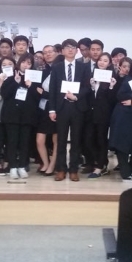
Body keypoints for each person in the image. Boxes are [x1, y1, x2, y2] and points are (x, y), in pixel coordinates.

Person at [48, 39, 92, 181]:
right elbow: (53, 89)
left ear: (77, 50)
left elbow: (87, 88)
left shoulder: (83, 67)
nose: (70, 50)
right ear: (62, 51)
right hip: (61, 107)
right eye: (67, 47)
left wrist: (76, 96)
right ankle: (61, 169)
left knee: (76, 140)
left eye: (73, 47)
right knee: (61, 140)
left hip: (78, 107)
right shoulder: (57, 67)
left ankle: (73, 169)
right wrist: (52, 110)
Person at [1, 53, 41, 178]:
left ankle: (22, 166)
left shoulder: (35, 78)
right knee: (12, 142)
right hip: (11, 114)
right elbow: (4, 94)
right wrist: (15, 82)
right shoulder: (11, 75)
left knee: (25, 142)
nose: (25, 65)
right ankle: (12, 167)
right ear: (19, 63)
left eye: (29, 63)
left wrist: (31, 86)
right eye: (23, 62)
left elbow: (38, 97)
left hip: (27, 115)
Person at [86, 52, 117, 178]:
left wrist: (111, 87)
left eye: (105, 61)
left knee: (101, 139)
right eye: (100, 60)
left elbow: (112, 100)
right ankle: (101, 162)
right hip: (91, 113)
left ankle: (99, 167)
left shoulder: (112, 78)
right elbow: (88, 96)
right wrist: (92, 87)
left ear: (109, 63)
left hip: (104, 114)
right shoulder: (92, 75)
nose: (102, 62)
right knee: (88, 140)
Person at [35, 46, 59, 176]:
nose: (48, 54)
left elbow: (59, 94)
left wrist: (44, 93)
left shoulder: (61, 69)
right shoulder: (41, 71)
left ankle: (52, 165)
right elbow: (36, 90)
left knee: (56, 140)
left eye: (50, 52)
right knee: (40, 140)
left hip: (57, 109)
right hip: (42, 109)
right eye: (45, 53)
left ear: (56, 53)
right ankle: (45, 163)